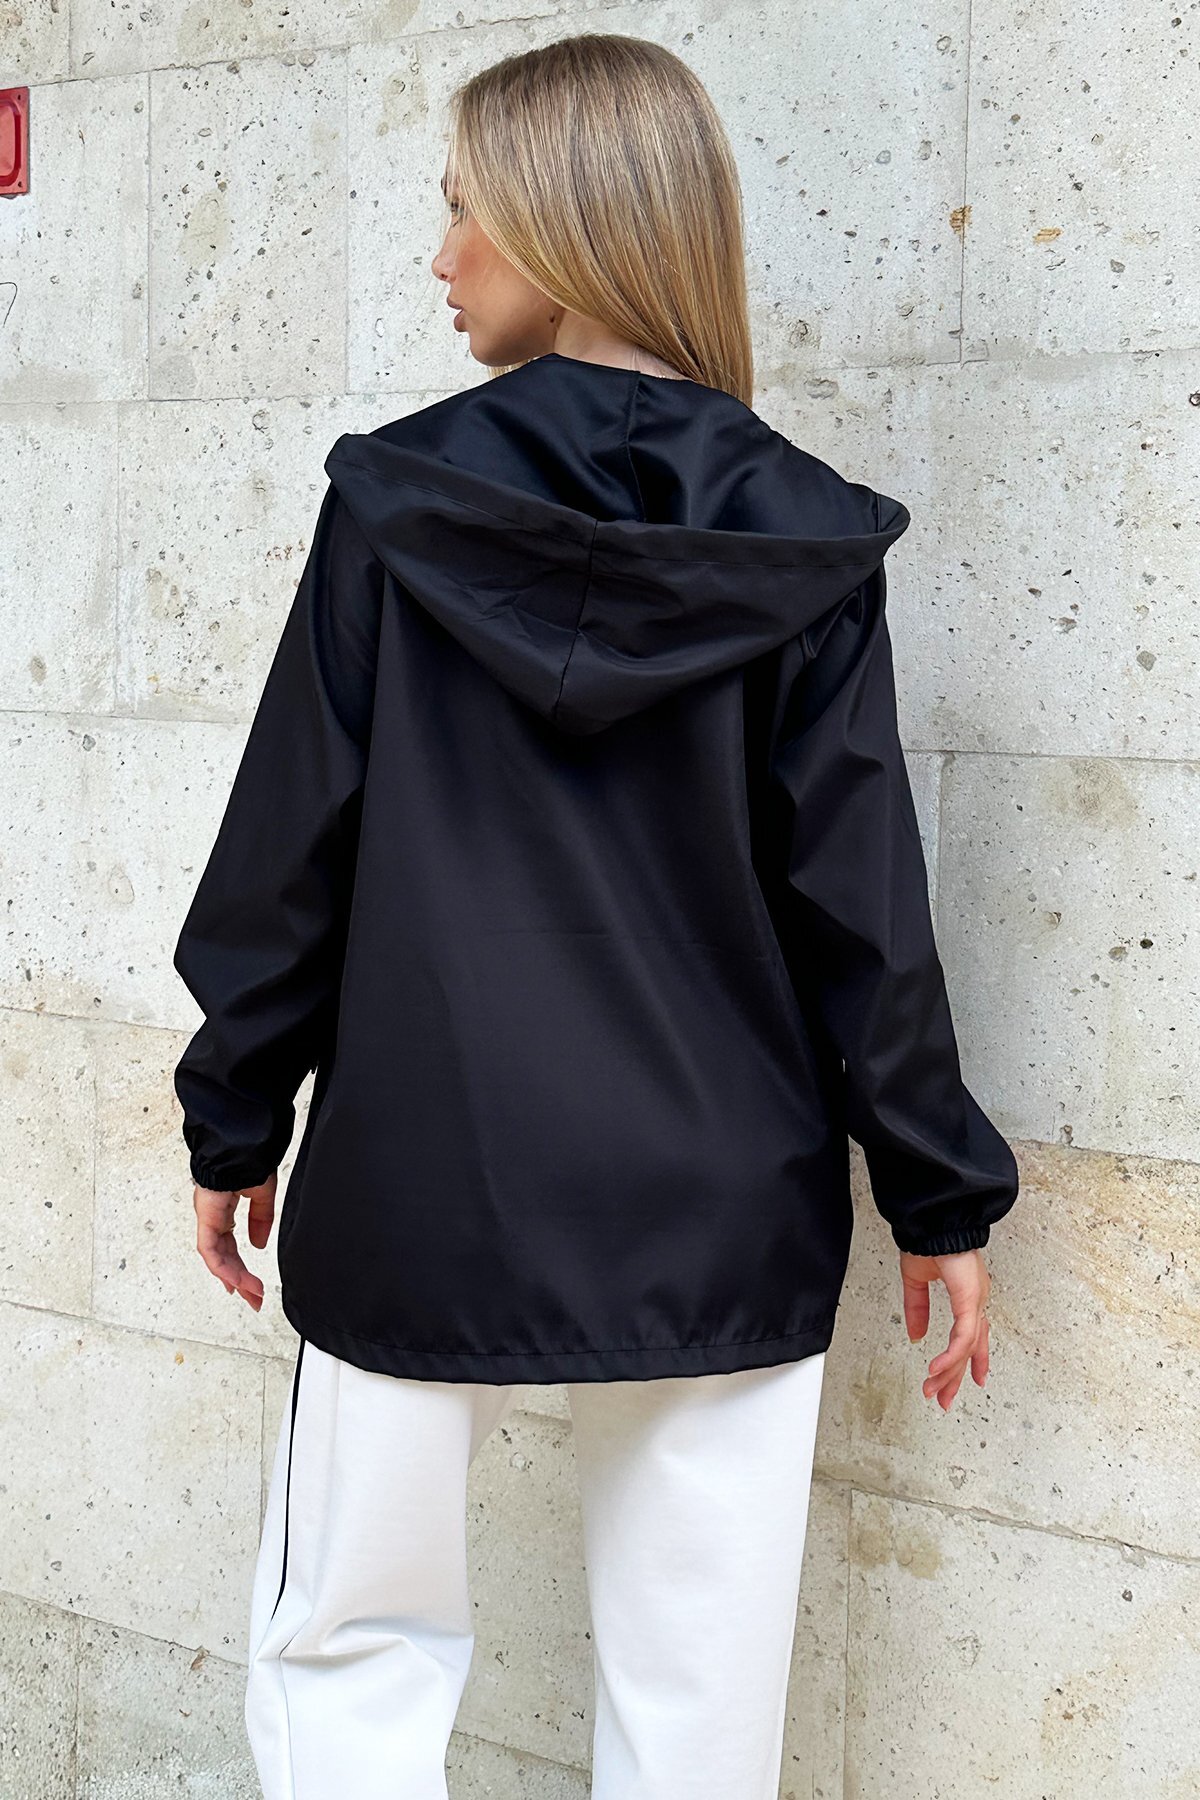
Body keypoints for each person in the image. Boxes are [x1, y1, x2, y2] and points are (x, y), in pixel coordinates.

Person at [169, 31, 1020, 1800]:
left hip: (422, 1169)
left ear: (562, 225)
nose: (439, 255)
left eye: (461, 209)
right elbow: (862, 907)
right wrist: (938, 1189)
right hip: (718, 1190)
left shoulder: (391, 505)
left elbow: (288, 852)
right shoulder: (800, 542)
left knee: (346, 1652)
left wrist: (234, 1114)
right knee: (699, 1709)